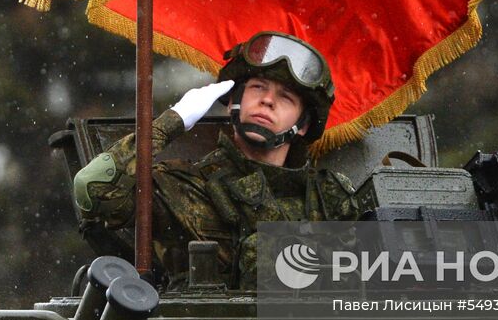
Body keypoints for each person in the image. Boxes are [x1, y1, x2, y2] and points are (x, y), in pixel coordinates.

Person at [72, 31, 362, 289]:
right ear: (234, 100)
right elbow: (93, 187)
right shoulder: (185, 187)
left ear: (303, 125)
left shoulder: (329, 199)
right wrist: (171, 122)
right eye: (258, 87)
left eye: (285, 97)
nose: (267, 101)